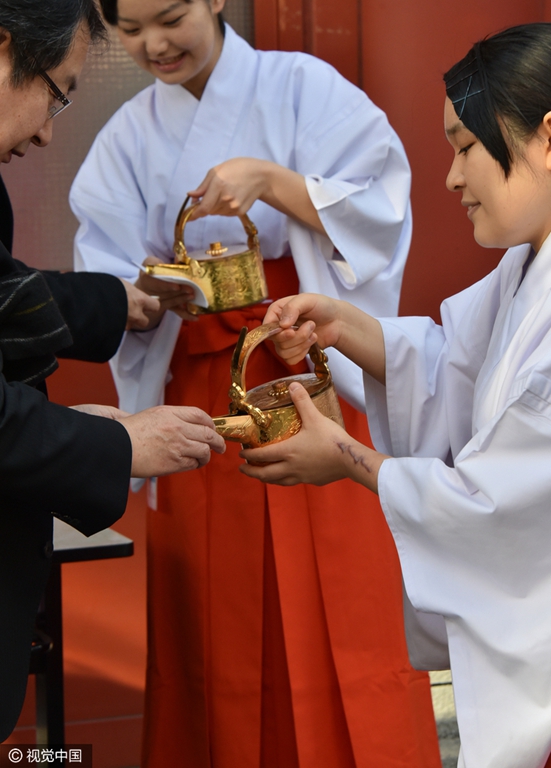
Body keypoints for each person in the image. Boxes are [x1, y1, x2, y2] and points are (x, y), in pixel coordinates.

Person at [69, 1, 441, 766]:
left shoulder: (305, 86)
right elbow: (102, 265)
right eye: (130, 30)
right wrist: (146, 296)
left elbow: (379, 209)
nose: (153, 44)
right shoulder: (129, 135)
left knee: (346, 601)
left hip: (308, 376)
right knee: (212, 628)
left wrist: (272, 181)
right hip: (197, 390)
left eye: (169, 16)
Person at [240, 22, 551, 768]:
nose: (449, 178)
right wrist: (344, 324)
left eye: (466, 146)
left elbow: (493, 500)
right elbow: (453, 367)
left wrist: (344, 454)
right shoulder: (523, 269)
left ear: (546, 137)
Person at [0, 0, 225, 742]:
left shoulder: (308, 87)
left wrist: (117, 302)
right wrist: (116, 443)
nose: (46, 132)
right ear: (4, 52)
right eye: (58, 92)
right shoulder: (129, 134)